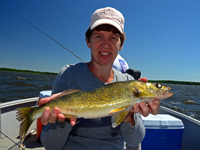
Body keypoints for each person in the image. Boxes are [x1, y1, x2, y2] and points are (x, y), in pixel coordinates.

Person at [40, 7, 160, 150]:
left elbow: (134, 142)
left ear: (120, 45)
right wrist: (64, 120)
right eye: (98, 36)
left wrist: (128, 116)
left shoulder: (128, 81)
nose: (105, 44)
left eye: (113, 38)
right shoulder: (69, 74)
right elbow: (50, 146)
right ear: (88, 42)